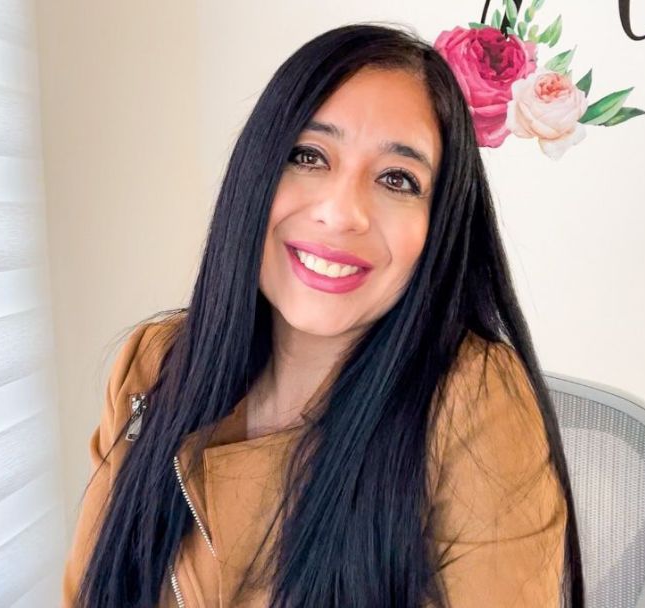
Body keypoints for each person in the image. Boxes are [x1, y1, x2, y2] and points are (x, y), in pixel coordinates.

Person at [62, 22, 585, 608]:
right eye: (308, 156)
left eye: (397, 179)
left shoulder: (474, 398)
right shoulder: (155, 362)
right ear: (255, 174)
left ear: (437, 227)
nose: (341, 213)